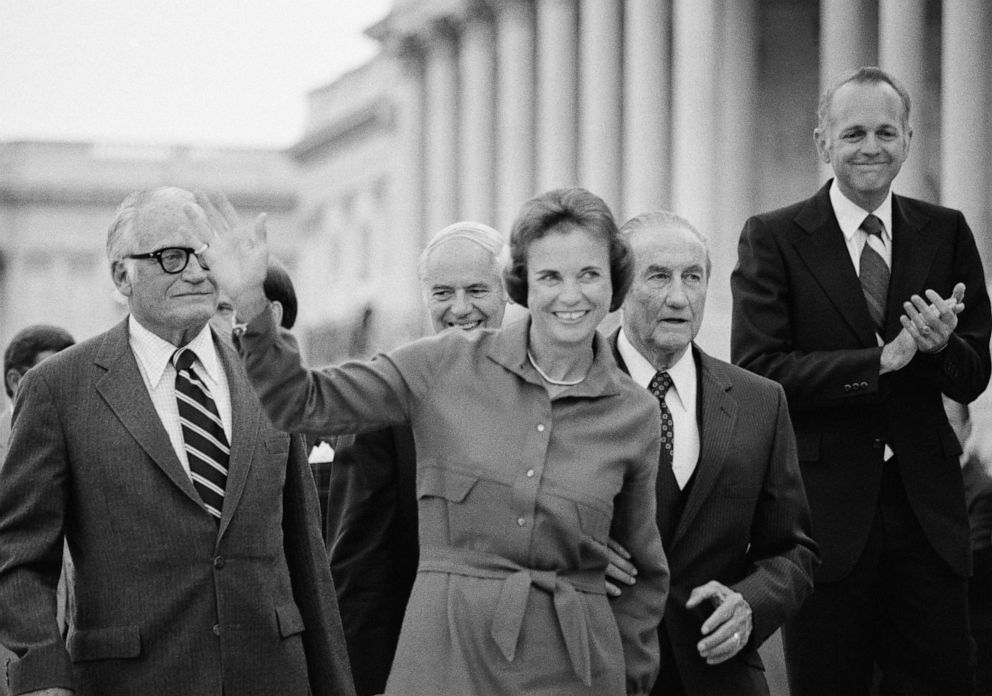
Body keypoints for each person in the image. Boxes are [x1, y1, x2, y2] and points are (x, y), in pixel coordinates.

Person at [194, 187, 670, 695]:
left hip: (578, 671)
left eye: (589, 275)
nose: (570, 296)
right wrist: (250, 302)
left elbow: (643, 574)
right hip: (447, 662)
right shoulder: (440, 364)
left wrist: (633, 682)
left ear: (614, 284)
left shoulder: (635, 412)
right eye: (550, 276)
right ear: (523, 286)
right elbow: (302, 402)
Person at [0, 187, 355, 696]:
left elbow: (305, 552)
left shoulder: (267, 373)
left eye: (206, 255)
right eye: (171, 257)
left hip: (273, 676)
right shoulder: (59, 388)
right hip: (131, 679)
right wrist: (42, 677)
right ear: (122, 275)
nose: (196, 272)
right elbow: (19, 555)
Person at [730, 67, 992, 695]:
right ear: (823, 142)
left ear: (908, 137)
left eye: (885, 131)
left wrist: (938, 348)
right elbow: (758, 373)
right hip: (823, 521)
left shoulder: (947, 229)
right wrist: (878, 362)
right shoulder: (774, 237)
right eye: (853, 134)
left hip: (929, 515)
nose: (870, 147)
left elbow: (974, 373)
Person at [606, 211, 818, 695]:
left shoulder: (761, 401)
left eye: (693, 277)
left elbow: (793, 549)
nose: (679, 297)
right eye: (658, 276)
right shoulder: (570, 392)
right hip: (600, 669)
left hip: (721, 676)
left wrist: (750, 602)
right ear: (618, 288)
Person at [325, 221, 508, 696]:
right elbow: (359, 576)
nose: (460, 308)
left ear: (508, 293)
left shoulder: (554, 394)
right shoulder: (384, 402)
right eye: (443, 292)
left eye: (477, 290)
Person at [1, 324, 75, 462]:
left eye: (72, 377)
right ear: (15, 381)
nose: (66, 389)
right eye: (51, 378)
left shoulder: (85, 438)